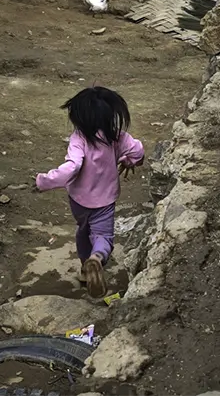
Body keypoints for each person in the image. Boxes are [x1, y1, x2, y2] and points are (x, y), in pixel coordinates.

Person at [35, 86, 144, 298]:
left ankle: (86, 268)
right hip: (105, 201)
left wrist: (44, 181)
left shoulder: (79, 138)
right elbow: (138, 151)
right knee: (102, 235)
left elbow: (72, 167)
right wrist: (130, 161)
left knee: (83, 229)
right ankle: (97, 258)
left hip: (79, 200)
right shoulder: (116, 137)